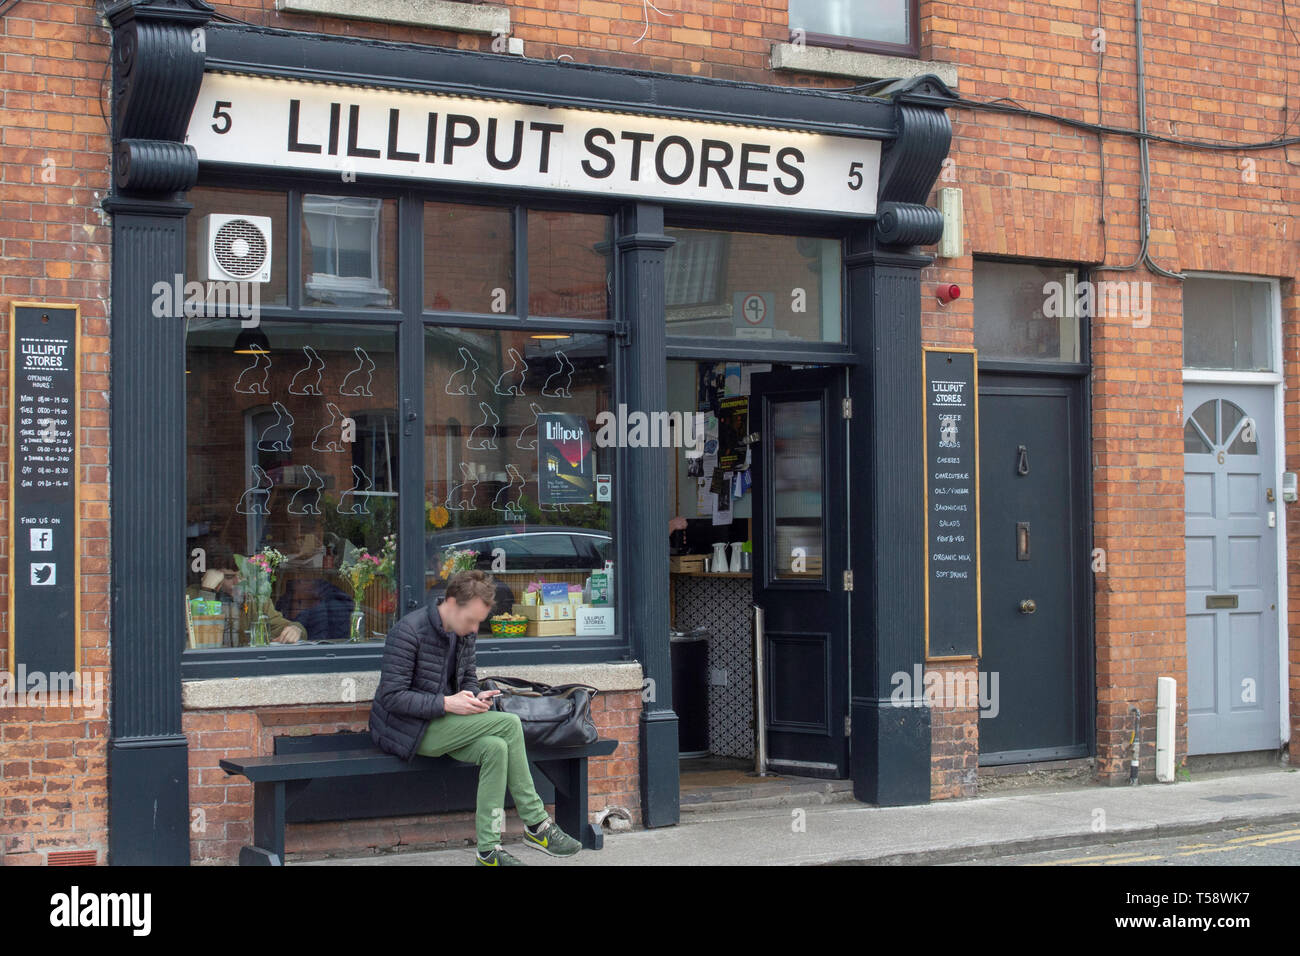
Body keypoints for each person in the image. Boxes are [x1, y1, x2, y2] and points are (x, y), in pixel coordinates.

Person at [368, 569, 583, 865]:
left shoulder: (464, 632)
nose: (473, 628)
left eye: (478, 622)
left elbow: (468, 676)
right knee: (508, 724)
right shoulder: (408, 632)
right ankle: (537, 824)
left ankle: (488, 849)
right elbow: (392, 697)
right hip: (408, 730)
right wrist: (446, 703)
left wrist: (472, 696)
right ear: (452, 603)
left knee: (495, 749)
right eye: (471, 620)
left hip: (448, 723)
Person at [186, 568, 305, 644]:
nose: (238, 582)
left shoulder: (255, 600)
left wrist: (295, 629)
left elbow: (280, 626)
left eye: (242, 575)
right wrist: (207, 591)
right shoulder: (191, 596)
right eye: (229, 577)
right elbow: (197, 641)